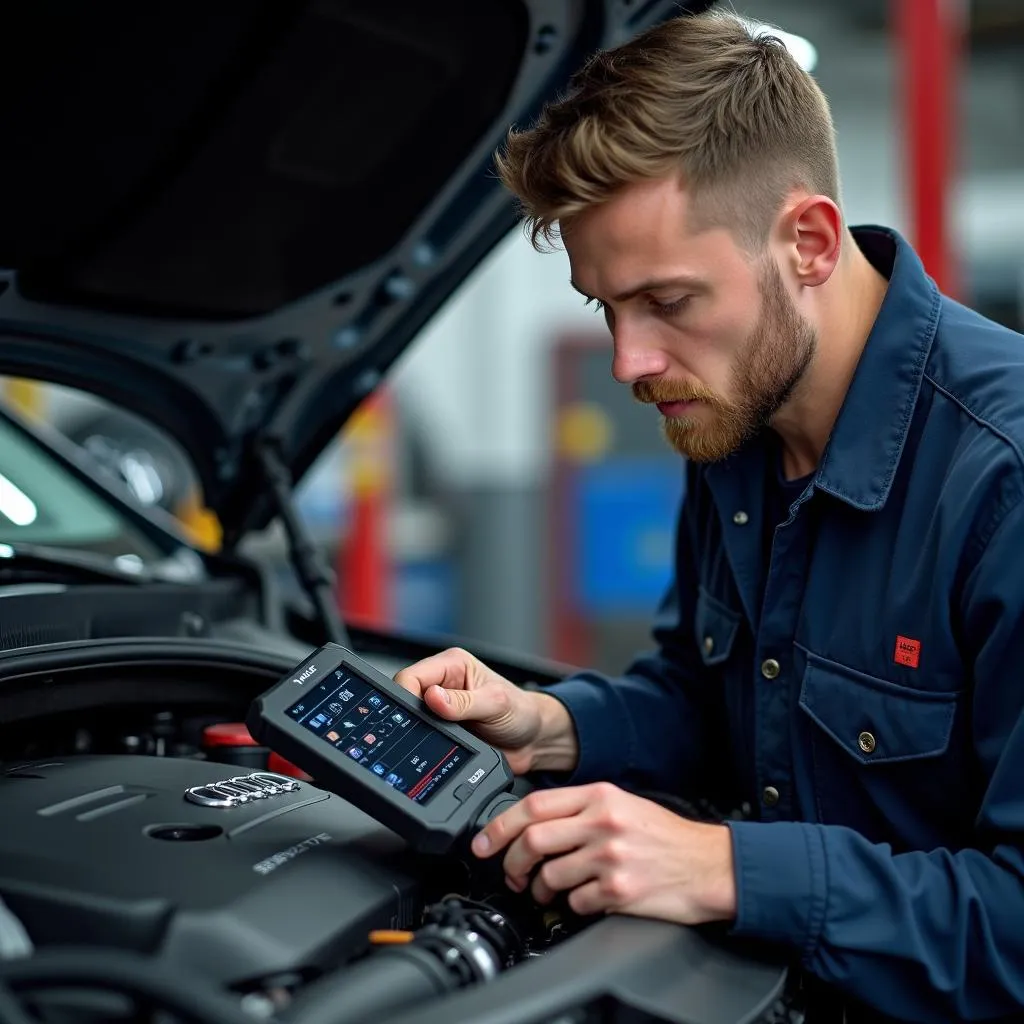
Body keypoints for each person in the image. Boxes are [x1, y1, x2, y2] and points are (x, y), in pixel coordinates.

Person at [394, 11, 1024, 1022]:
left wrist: (730, 869)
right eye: (607, 307)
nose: (628, 363)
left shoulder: (1002, 484)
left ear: (808, 242)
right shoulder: (738, 426)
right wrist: (549, 725)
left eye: (668, 301)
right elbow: (713, 703)